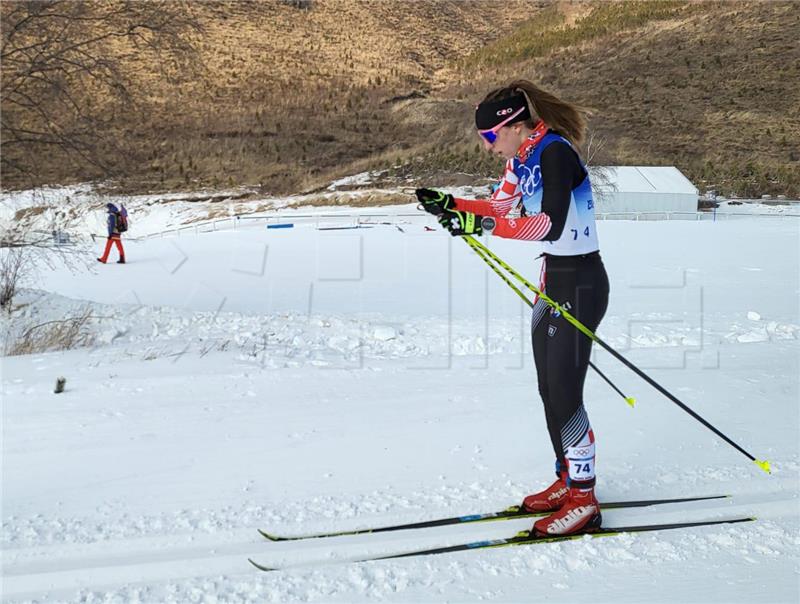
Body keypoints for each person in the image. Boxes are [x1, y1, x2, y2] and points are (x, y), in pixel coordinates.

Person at [416, 80, 609, 537]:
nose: (487, 146)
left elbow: (549, 224)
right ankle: (567, 477)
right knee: (548, 388)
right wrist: (452, 204)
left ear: (515, 125)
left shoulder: (556, 153)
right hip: (552, 283)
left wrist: (480, 223)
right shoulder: (520, 159)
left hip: (580, 283)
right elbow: (500, 207)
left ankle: (585, 498)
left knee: (566, 392)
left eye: (489, 137)